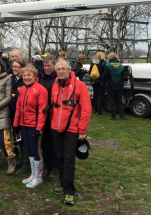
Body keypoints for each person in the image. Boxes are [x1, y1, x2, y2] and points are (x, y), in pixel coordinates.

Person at [50, 59, 91, 205]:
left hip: (72, 130)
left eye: (63, 69)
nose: (60, 71)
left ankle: (69, 191)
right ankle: (63, 184)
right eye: (58, 69)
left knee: (68, 160)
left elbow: (86, 110)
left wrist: (82, 131)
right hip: (56, 128)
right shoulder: (55, 85)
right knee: (59, 158)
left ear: (69, 70)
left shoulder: (79, 86)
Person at [13, 65, 48, 188]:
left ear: (35, 76)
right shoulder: (22, 89)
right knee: (29, 149)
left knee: (36, 150)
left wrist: (39, 128)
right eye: (24, 75)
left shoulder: (40, 90)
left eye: (29, 75)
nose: (26, 77)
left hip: (34, 125)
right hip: (24, 124)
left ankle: (38, 176)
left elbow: (42, 111)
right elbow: (18, 108)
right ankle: (33, 174)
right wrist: (16, 124)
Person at [38, 55, 58, 181]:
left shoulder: (57, 78)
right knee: (44, 142)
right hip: (42, 115)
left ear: (54, 66)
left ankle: (56, 167)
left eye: (49, 65)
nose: (46, 68)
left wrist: (50, 106)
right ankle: (47, 165)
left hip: (54, 115)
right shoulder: (40, 78)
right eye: (45, 66)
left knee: (54, 143)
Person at [9, 58, 29, 175]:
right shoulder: (11, 79)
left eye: (17, 66)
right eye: (13, 67)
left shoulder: (25, 80)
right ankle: (22, 158)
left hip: (22, 113)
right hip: (12, 112)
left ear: (22, 68)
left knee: (24, 138)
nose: (15, 68)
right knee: (17, 135)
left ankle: (26, 162)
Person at [102, 52, 127, 120]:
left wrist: (103, 82)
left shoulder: (108, 65)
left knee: (112, 100)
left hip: (111, 85)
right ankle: (122, 116)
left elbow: (105, 75)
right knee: (119, 100)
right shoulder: (121, 66)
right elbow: (123, 76)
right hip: (119, 85)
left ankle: (113, 116)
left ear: (110, 58)